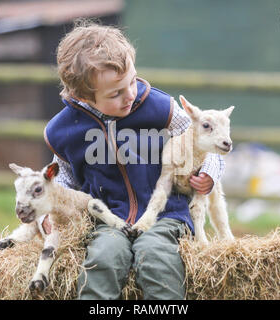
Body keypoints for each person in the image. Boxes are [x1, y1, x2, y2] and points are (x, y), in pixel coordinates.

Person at [44, 22, 225, 300]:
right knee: (102, 258)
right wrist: (50, 211)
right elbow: (63, 177)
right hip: (108, 219)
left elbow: (207, 144)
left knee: (155, 256)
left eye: (132, 80)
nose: (130, 94)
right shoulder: (65, 130)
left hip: (166, 214)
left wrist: (209, 175)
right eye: (115, 93)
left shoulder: (160, 109)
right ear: (84, 97)